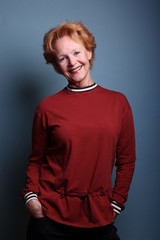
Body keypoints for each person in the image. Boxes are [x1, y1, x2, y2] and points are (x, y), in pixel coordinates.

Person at [23, 21, 136, 240]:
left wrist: (117, 202)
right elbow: (36, 159)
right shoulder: (47, 107)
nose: (72, 62)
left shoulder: (118, 103)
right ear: (56, 65)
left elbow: (126, 160)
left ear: (90, 52)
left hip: (99, 217)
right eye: (62, 58)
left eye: (76, 52)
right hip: (50, 219)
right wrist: (31, 198)